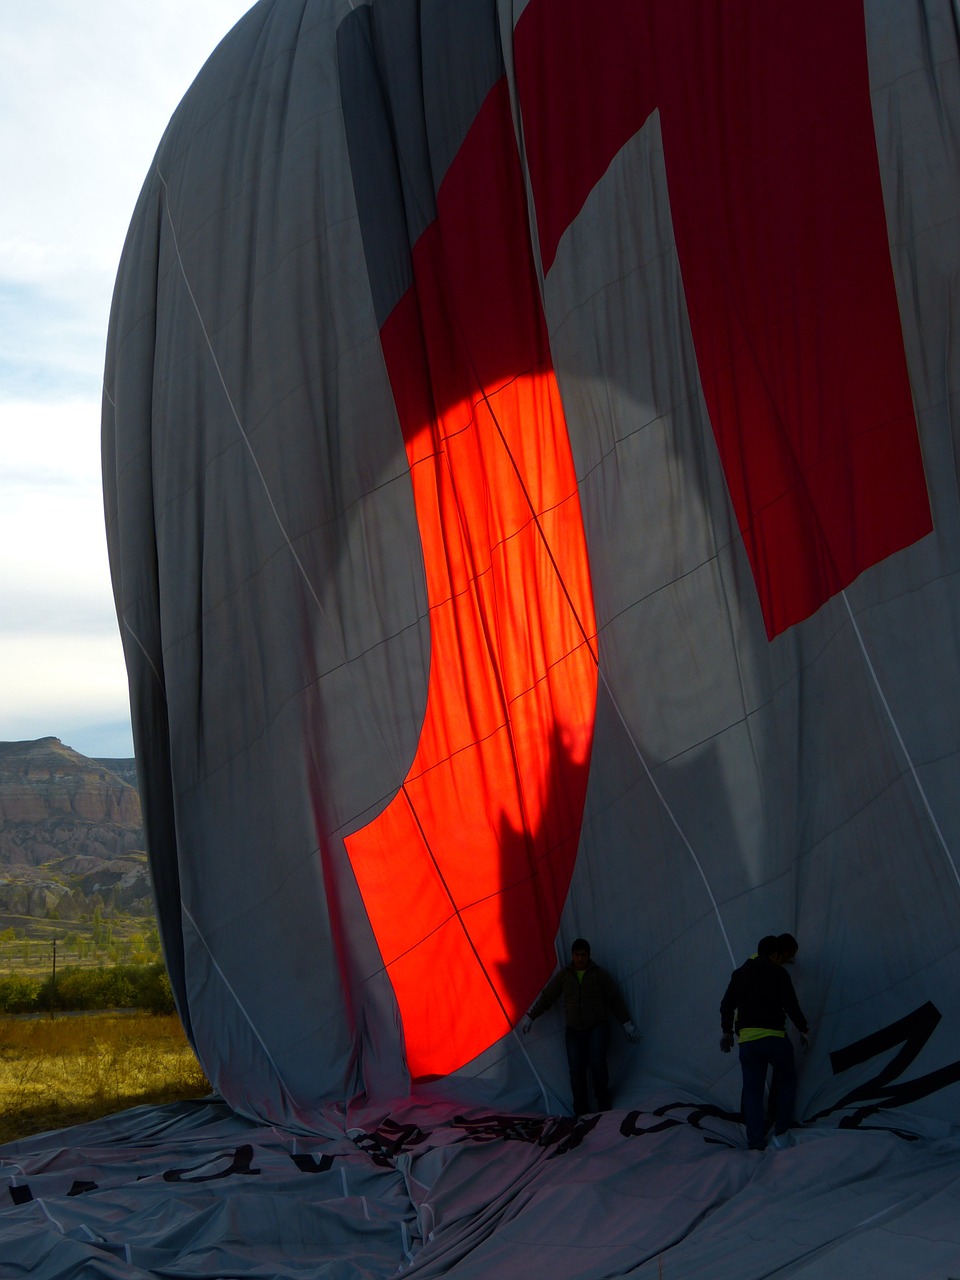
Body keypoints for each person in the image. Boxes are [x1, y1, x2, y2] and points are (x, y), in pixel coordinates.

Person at [522, 938, 641, 1114]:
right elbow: (548, 997)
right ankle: (581, 1109)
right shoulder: (564, 976)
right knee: (576, 1070)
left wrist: (626, 1023)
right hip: (574, 1031)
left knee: (597, 1064)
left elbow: (615, 999)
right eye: (577, 955)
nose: (580, 958)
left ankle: (603, 1103)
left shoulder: (599, 975)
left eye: (583, 955)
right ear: (572, 955)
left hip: (597, 1027)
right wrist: (531, 1016)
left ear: (589, 955)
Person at [720, 934, 810, 1150]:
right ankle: (782, 1132)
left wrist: (727, 1032)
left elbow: (726, 1006)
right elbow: (791, 1004)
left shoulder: (739, 974)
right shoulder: (779, 973)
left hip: (748, 1042)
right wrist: (803, 1028)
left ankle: (755, 1143)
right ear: (775, 954)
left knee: (753, 1090)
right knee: (787, 1079)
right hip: (775, 1038)